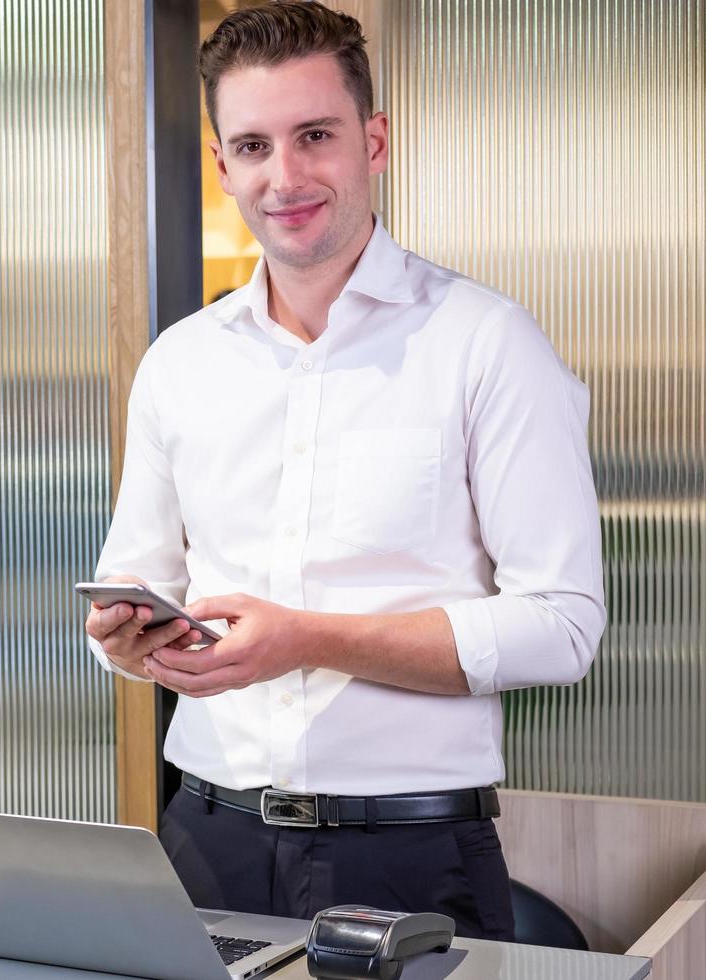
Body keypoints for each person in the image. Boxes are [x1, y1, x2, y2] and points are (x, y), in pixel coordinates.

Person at [84, 1, 603, 942]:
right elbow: (144, 578)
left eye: (314, 135)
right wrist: (125, 637)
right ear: (222, 166)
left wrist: (308, 637)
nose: (284, 177)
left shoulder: (487, 345)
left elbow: (563, 628)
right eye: (252, 146)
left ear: (374, 141)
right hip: (202, 839)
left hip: (408, 854)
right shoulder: (179, 363)